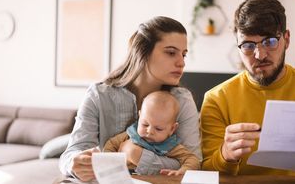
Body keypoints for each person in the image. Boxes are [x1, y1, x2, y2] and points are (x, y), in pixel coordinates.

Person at [200, 0, 295, 175]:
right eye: (248, 45)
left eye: (270, 41)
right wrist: (225, 154)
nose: (260, 55)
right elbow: (206, 174)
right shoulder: (216, 100)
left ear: (287, 40)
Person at [59, 16, 202, 182]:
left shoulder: (182, 100)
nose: (181, 63)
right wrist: (74, 164)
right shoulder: (99, 95)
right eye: (171, 53)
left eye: (183, 55)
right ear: (143, 52)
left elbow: (194, 162)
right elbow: (71, 153)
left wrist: (138, 156)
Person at [103, 91, 200, 175]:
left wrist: (183, 170)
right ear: (140, 116)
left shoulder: (170, 146)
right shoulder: (131, 134)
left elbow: (192, 159)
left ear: (172, 129)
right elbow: (111, 144)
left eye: (158, 129)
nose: (149, 131)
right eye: (145, 124)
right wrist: (108, 164)